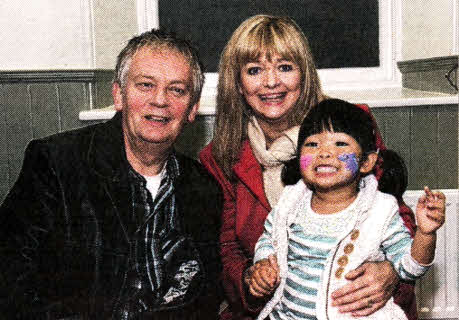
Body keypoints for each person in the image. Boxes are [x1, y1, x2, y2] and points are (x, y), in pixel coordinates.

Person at [199, 15, 418, 319]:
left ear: (304, 75)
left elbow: (396, 214)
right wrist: (251, 280)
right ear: (237, 83)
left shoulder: (350, 126)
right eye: (254, 70)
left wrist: (392, 273)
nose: (271, 82)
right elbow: (227, 250)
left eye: (285, 67)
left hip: (358, 307)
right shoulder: (220, 156)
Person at [0, 29, 223, 319]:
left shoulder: (203, 187)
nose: (160, 100)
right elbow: (9, 277)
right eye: (145, 85)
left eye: (177, 90)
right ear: (119, 95)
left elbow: (205, 297)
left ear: (192, 108)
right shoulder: (57, 164)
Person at [248, 99, 446, 320]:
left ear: (367, 162)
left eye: (340, 144)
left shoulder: (379, 211)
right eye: (312, 144)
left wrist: (426, 233)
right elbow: (269, 239)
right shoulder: (289, 204)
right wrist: (263, 264)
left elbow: (410, 268)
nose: (323, 152)